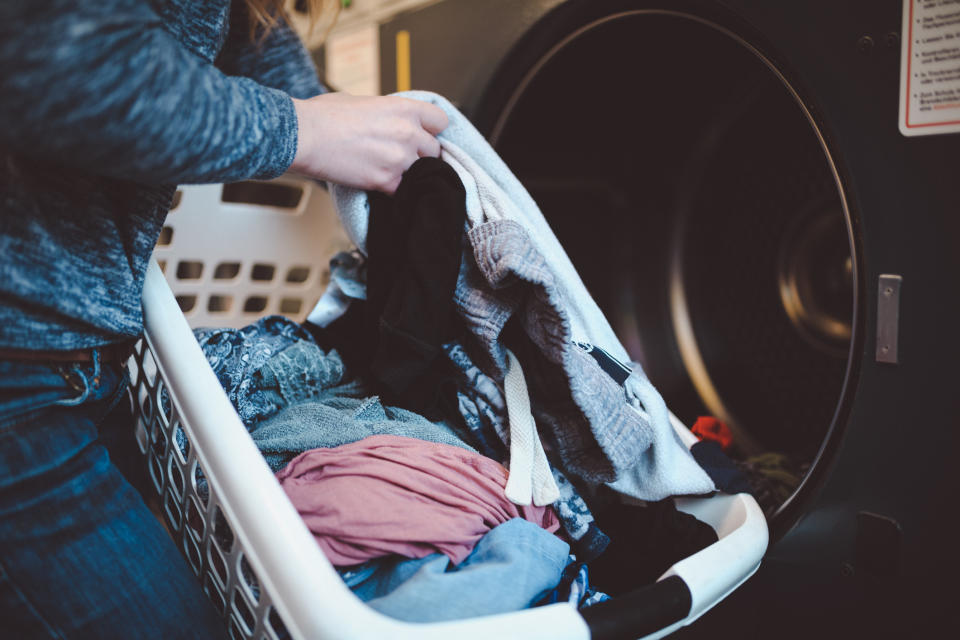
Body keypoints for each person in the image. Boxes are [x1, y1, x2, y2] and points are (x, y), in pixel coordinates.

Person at [0, 1, 447, 637]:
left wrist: (358, 141)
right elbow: (57, 55)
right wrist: (307, 131)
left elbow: (265, 65)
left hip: (78, 358)